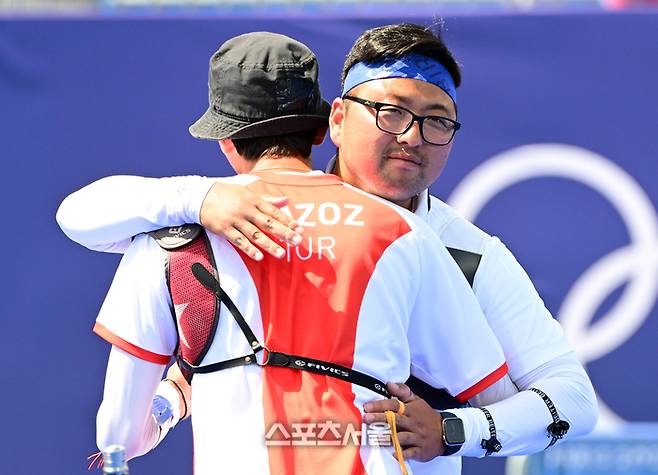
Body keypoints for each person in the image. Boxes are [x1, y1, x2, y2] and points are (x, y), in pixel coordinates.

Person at [57, 24, 598, 473]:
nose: (412, 135)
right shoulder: (238, 212)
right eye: (392, 112)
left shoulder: (464, 252)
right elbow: (78, 215)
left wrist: (456, 429)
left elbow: (571, 399)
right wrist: (198, 196)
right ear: (334, 120)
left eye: (438, 121)